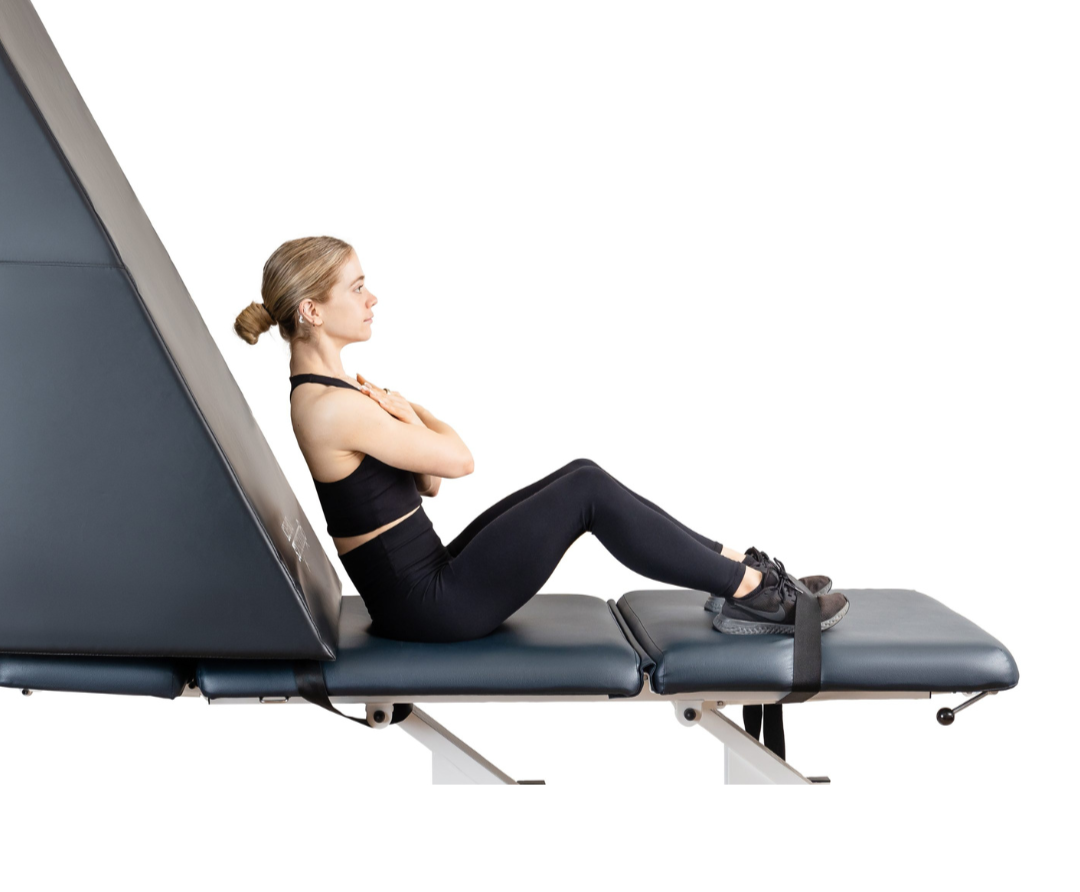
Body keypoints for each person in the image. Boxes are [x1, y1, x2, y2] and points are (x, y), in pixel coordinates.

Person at [234, 236, 849, 643]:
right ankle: (753, 594)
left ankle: (737, 569)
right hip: (429, 607)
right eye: (357, 287)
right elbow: (460, 461)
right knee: (586, 492)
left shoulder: (339, 393)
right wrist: (412, 412)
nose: (373, 298)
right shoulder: (330, 408)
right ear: (312, 311)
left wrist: (404, 418)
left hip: (424, 583)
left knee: (581, 472)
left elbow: (429, 483)